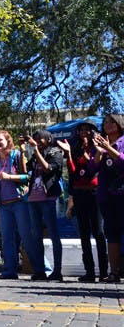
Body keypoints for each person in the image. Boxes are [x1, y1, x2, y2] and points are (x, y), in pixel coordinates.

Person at [0, 130, 37, 280]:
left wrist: (9, 177)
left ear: (7, 141)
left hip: (20, 202)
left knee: (26, 237)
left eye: (0, 140)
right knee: (6, 238)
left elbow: (28, 177)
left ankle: (40, 269)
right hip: (4, 205)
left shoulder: (17, 155)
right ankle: (9, 271)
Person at [58, 120, 108, 282]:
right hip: (79, 194)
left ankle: (104, 271)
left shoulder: (98, 148)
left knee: (99, 232)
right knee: (84, 233)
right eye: (81, 130)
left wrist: (90, 155)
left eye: (88, 130)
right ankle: (90, 272)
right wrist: (69, 154)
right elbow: (73, 173)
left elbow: (94, 170)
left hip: (94, 193)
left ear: (94, 132)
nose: (84, 133)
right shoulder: (76, 148)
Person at [23, 129, 64, 282]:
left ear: (48, 139)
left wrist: (34, 149)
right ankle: (39, 270)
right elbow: (24, 170)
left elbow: (48, 168)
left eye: (40, 138)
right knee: (36, 236)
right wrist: (22, 151)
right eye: (35, 139)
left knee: (53, 234)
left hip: (48, 198)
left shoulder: (55, 152)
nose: (37, 141)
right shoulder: (34, 155)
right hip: (33, 199)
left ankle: (57, 271)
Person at [91, 114, 124, 283]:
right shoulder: (101, 143)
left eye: (112, 121)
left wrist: (109, 149)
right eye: (105, 122)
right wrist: (98, 151)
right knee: (111, 234)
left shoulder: (122, 142)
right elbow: (93, 167)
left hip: (122, 195)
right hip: (106, 196)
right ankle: (114, 272)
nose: (108, 124)